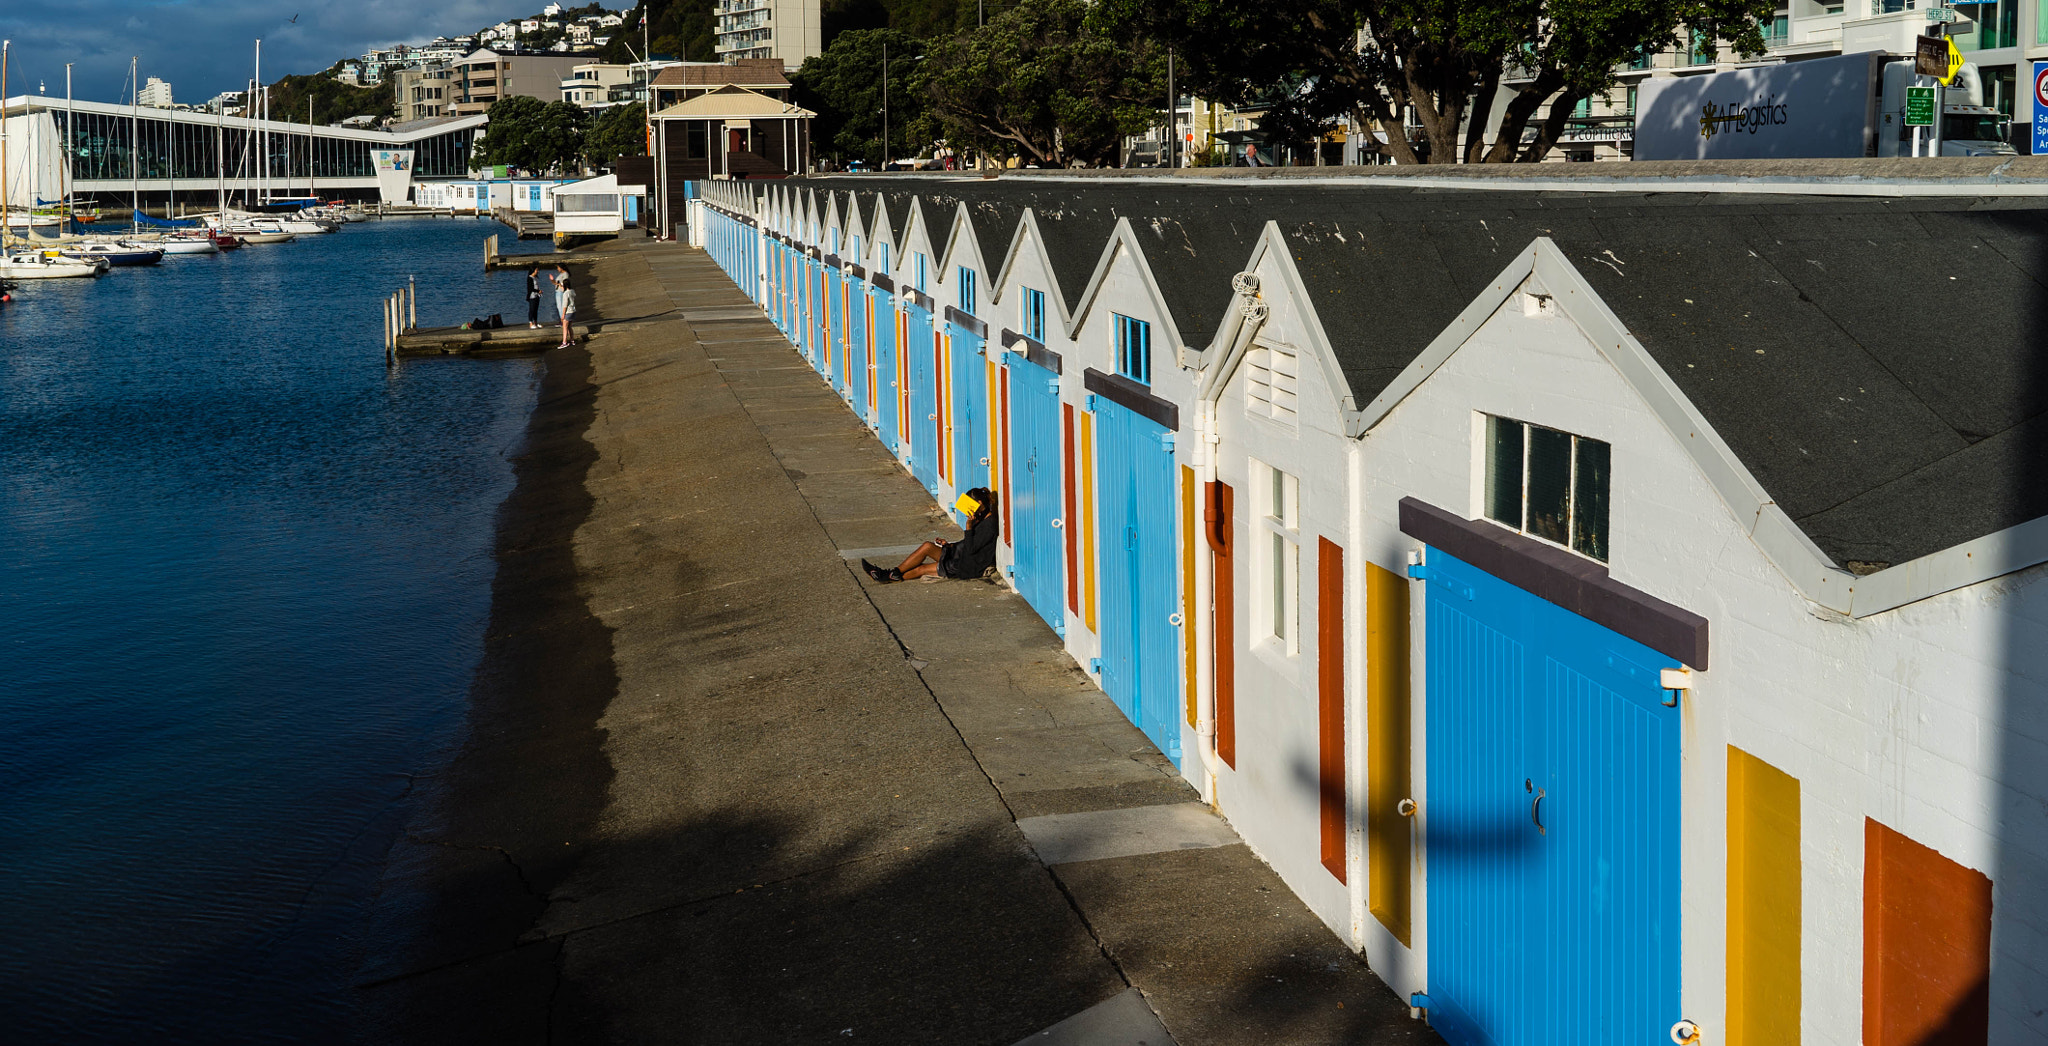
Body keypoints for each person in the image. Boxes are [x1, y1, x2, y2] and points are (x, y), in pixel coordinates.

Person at [864, 488, 1000, 584]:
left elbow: (971, 549)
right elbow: (968, 544)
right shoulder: (981, 519)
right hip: (960, 556)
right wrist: (950, 545)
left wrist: (969, 527)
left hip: (967, 566)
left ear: (979, 504)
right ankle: (891, 574)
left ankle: (887, 576)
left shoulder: (989, 525)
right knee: (927, 546)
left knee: (921, 569)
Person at [553, 266, 576, 349]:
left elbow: (565, 305)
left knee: (565, 327)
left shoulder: (566, 294)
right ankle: (572, 340)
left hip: (568, 312)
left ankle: (564, 342)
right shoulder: (572, 291)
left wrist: (562, 315)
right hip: (573, 311)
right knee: (570, 327)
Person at [525, 264, 542, 329]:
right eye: (536, 270)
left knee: (536, 310)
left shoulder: (535, 277)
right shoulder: (530, 278)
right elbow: (530, 288)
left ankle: (535, 323)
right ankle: (530, 323)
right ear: (533, 270)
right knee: (531, 309)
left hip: (537, 296)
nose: (537, 271)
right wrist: (538, 291)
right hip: (532, 296)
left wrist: (538, 292)